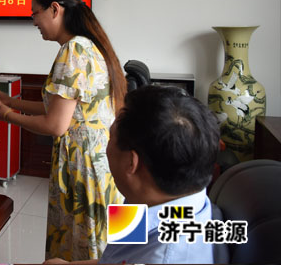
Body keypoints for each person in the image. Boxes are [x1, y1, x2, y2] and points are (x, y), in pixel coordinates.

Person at [0, 0, 127, 261]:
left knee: (82, 246)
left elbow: (55, 125)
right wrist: (10, 101)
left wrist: (7, 115)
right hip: (102, 160)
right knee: (104, 244)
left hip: (82, 167)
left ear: (55, 9)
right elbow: (60, 109)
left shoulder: (72, 50)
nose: (34, 21)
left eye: (35, 13)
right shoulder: (91, 46)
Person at [45, 85, 221, 264]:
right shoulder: (153, 198)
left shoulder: (163, 258)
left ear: (131, 162)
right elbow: (113, 259)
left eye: (109, 138)